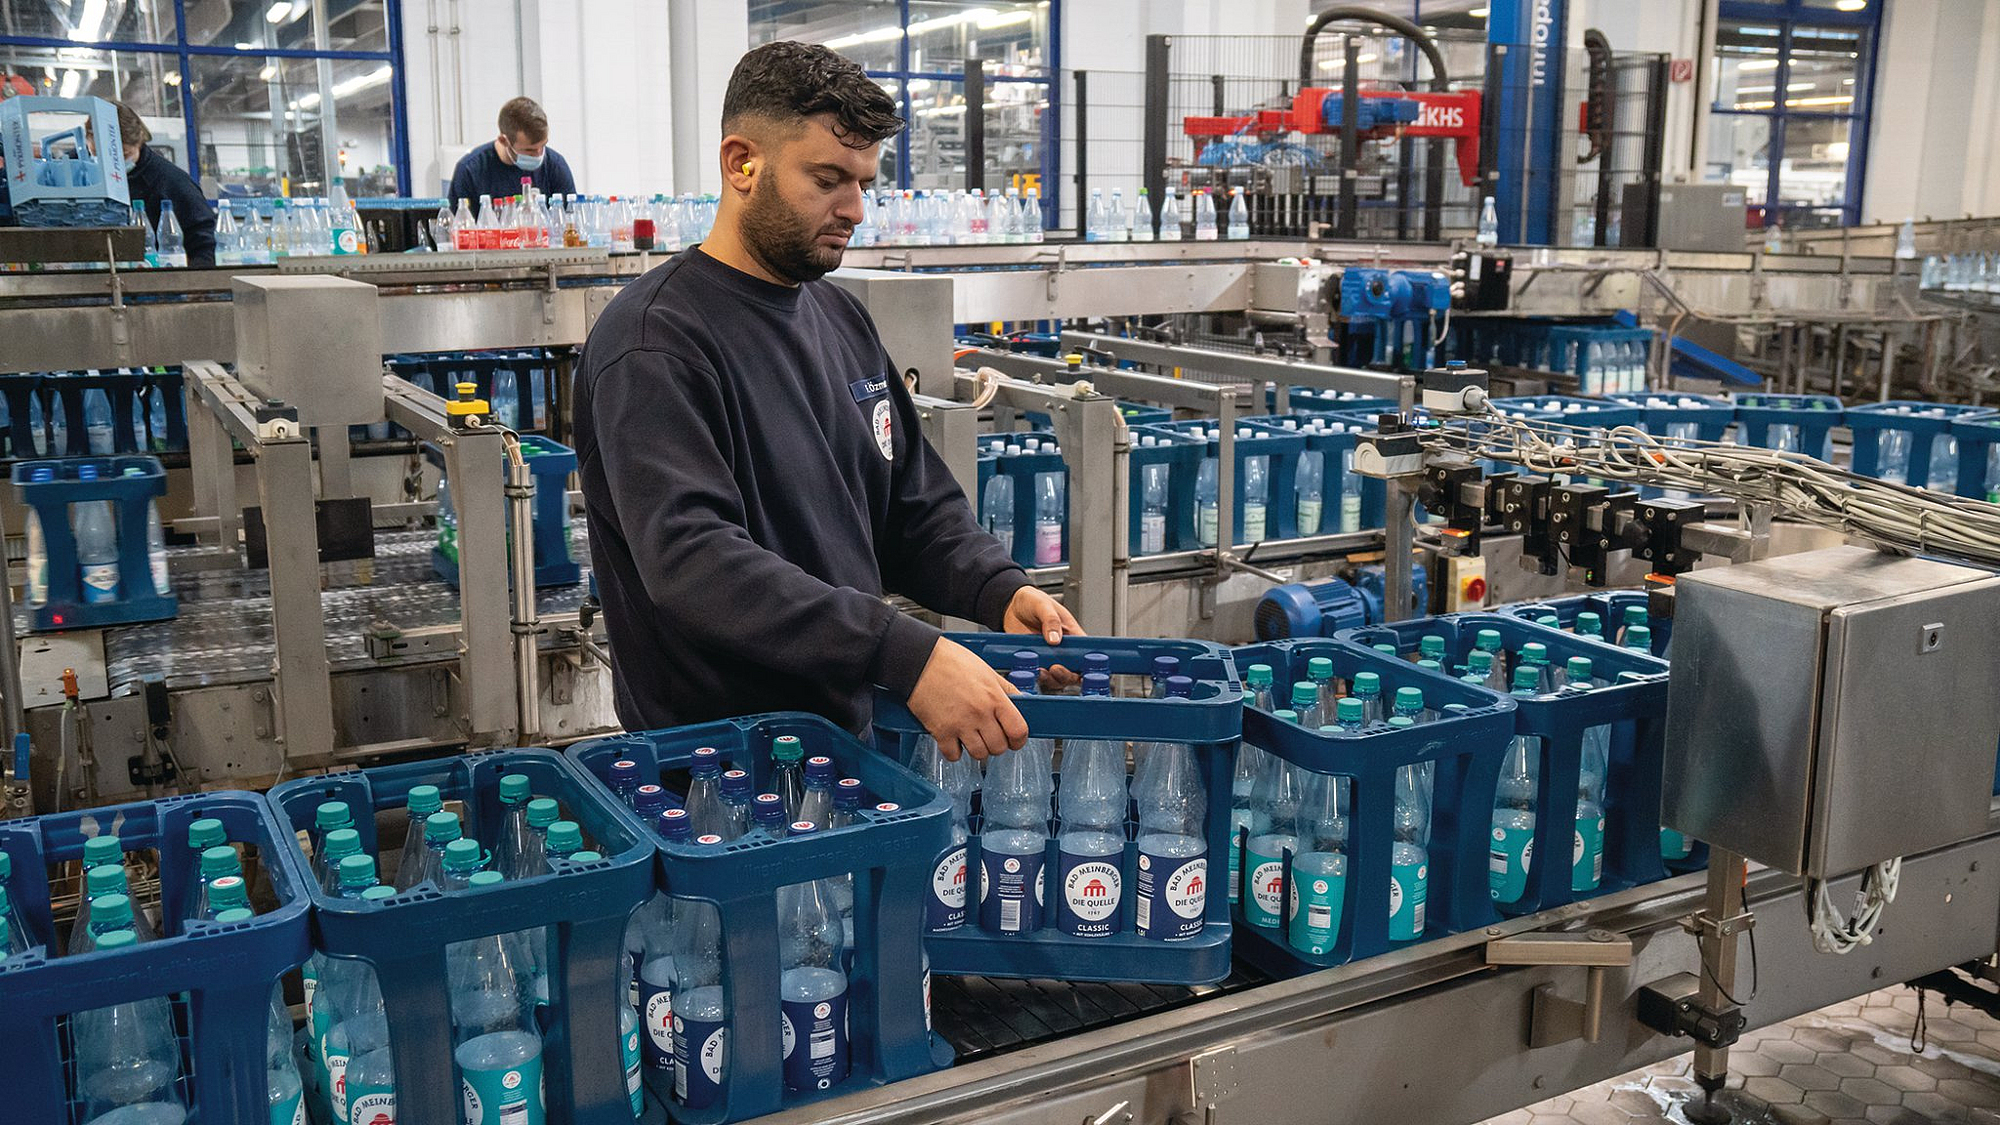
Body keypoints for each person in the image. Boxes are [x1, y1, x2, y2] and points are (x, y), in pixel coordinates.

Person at [573, 41, 1076, 761]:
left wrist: (996, 590)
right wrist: (905, 653)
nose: (856, 209)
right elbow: (696, 563)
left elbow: (911, 509)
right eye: (829, 178)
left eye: (864, 181)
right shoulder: (655, 343)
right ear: (742, 162)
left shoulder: (840, 318)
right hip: (718, 775)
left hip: (849, 742)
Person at [115, 102, 216, 268]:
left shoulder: (169, 181)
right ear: (89, 140)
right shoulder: (74, 171)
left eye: (125, 154)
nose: (116, 163)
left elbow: (205, 241)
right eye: (103, 155)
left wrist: (193, 285)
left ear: (139, 142)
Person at [448, 96, 576, 213]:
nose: (538, 155)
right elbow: (458, 229)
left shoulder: (555, 166)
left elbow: (570, 223)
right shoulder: (470, 171)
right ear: (504, 141)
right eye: (529, 150)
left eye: (543, 146)